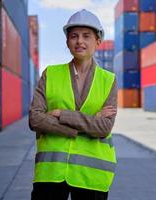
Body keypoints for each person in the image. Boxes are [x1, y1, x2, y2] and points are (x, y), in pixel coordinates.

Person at [29, 9, 117, 200]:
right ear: (67, 41)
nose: (80, 41)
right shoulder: (50, 74)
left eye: (86, 36)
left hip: (92, 175)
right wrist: (85, 124)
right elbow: (35, 119)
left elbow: (104, 127)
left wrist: (61, 114)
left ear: (98, 42)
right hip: (51, 172)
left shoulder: (108, 80)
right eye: (74, 36)